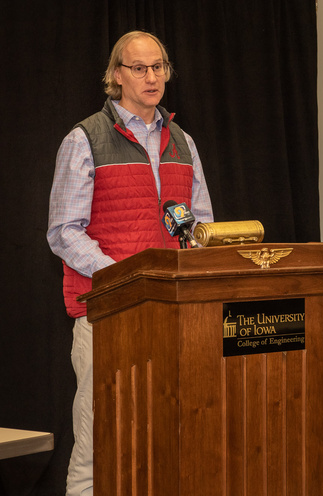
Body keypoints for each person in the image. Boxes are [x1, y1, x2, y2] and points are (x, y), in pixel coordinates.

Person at [47, 31, 213, 496]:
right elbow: (63, 230)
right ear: (116, 75)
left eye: (159, 67)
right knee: (98, 444)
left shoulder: (183, 142)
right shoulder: (84, 139)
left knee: (166, 438)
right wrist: (122, 278)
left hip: (171, 314)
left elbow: (201, 226)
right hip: (106, 314)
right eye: (139, 68)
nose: (151, 77)